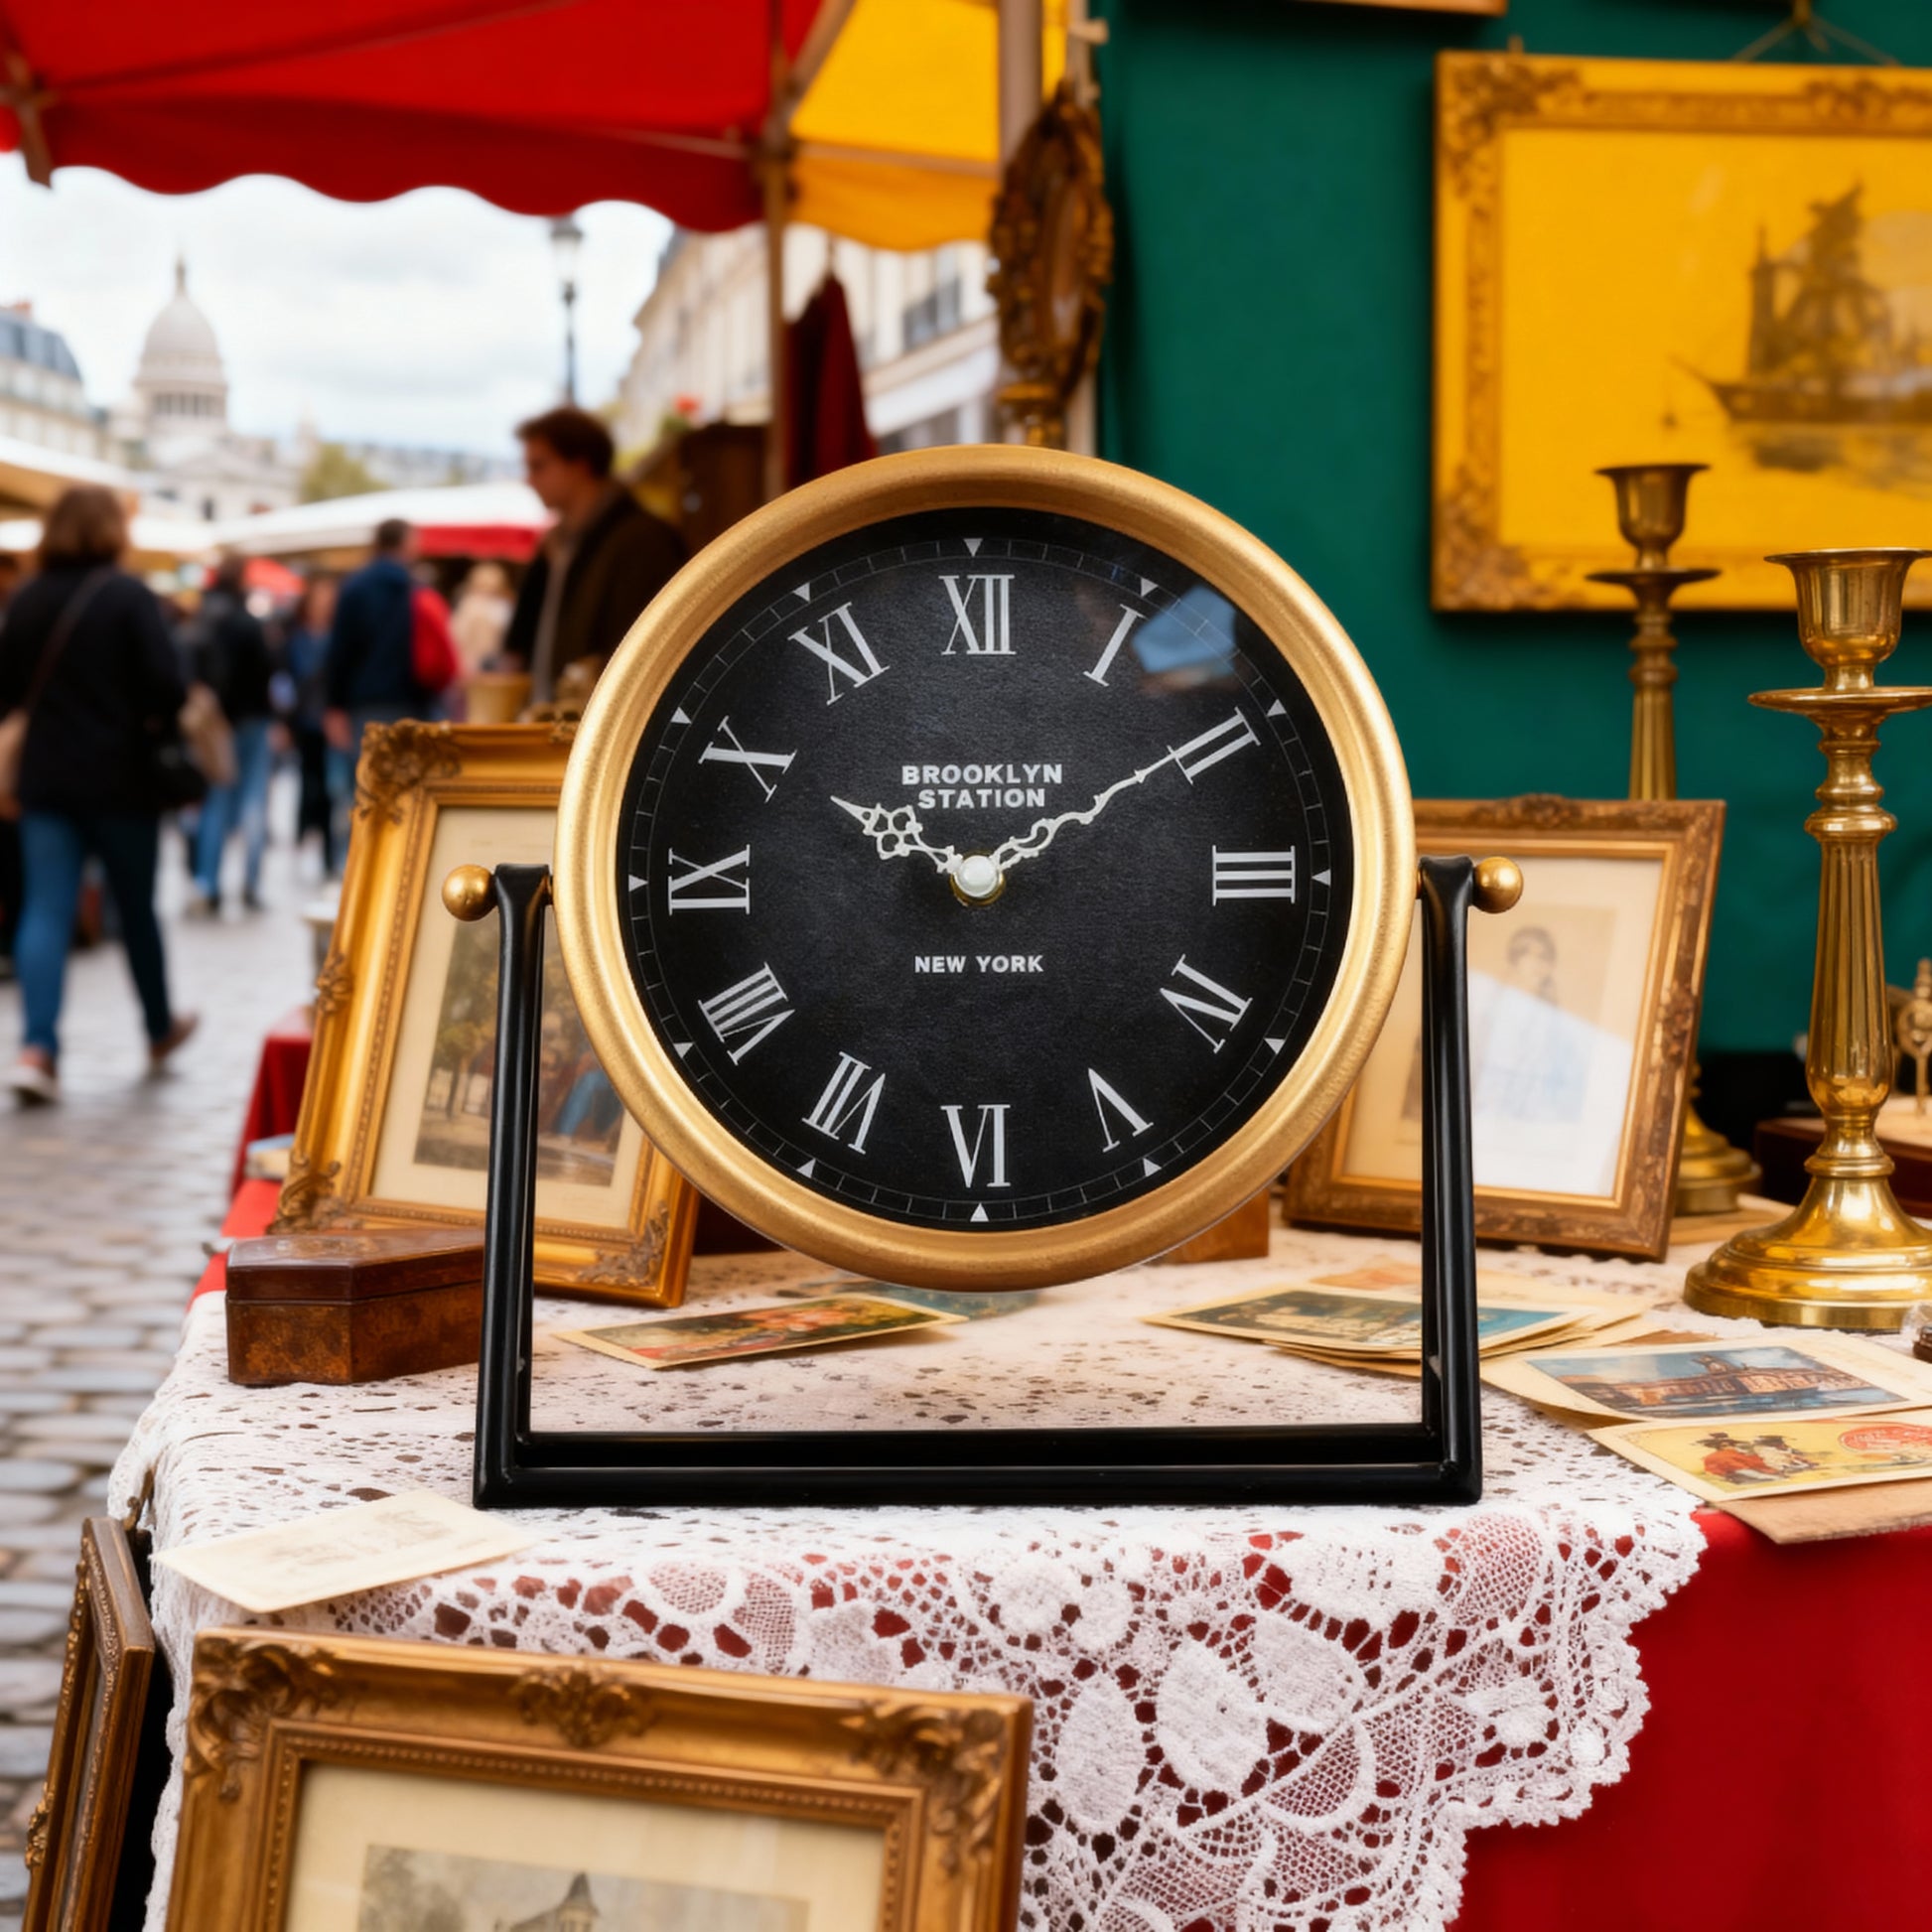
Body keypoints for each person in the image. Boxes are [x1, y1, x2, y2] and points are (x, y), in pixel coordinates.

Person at [0, 485, 196, 1104]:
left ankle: (38, 1049)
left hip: (47, 780)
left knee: (46, 909)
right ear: (112, 530)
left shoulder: (26, 598)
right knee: (135, 908)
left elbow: (6, 690)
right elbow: (168, 687)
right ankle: (159, 1028)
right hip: (122, 780)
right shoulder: (127, 596)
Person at [504, 407, 683, 702]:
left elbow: (643, 652)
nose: (530, 480)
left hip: (604, 722)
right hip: (561, 723)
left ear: (581, 464)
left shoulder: (644, 540)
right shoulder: (558, 546)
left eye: (539, 466)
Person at [187, 553, 275, 914]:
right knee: (253, 801)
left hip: (215, 722)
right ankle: (251, 883)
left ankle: (207, 883)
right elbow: (267, 671)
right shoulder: (248, 622)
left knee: (215, 803)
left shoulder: (203, 619)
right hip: (252, 719)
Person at [324, 517, 426, 759]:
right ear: (405, 544)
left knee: (369, 783)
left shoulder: (355, 587)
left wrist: (334, 705)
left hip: (365, 702)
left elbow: (340, 651)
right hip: (412, 700)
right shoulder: (416, 589)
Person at [282, 574, 341, 877]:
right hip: (306, 722)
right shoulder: (298, 638)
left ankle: (330, 851)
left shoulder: (337, 636)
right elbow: (292, 679)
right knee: (309, 785)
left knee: (331, 788)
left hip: (330, 722)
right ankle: (304, 836)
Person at [450, 561, 513, 677]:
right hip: (476, 664)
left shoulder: (502, 605)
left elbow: (457, 635)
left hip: (492, 664)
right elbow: (458, 636)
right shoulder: (471, 604)